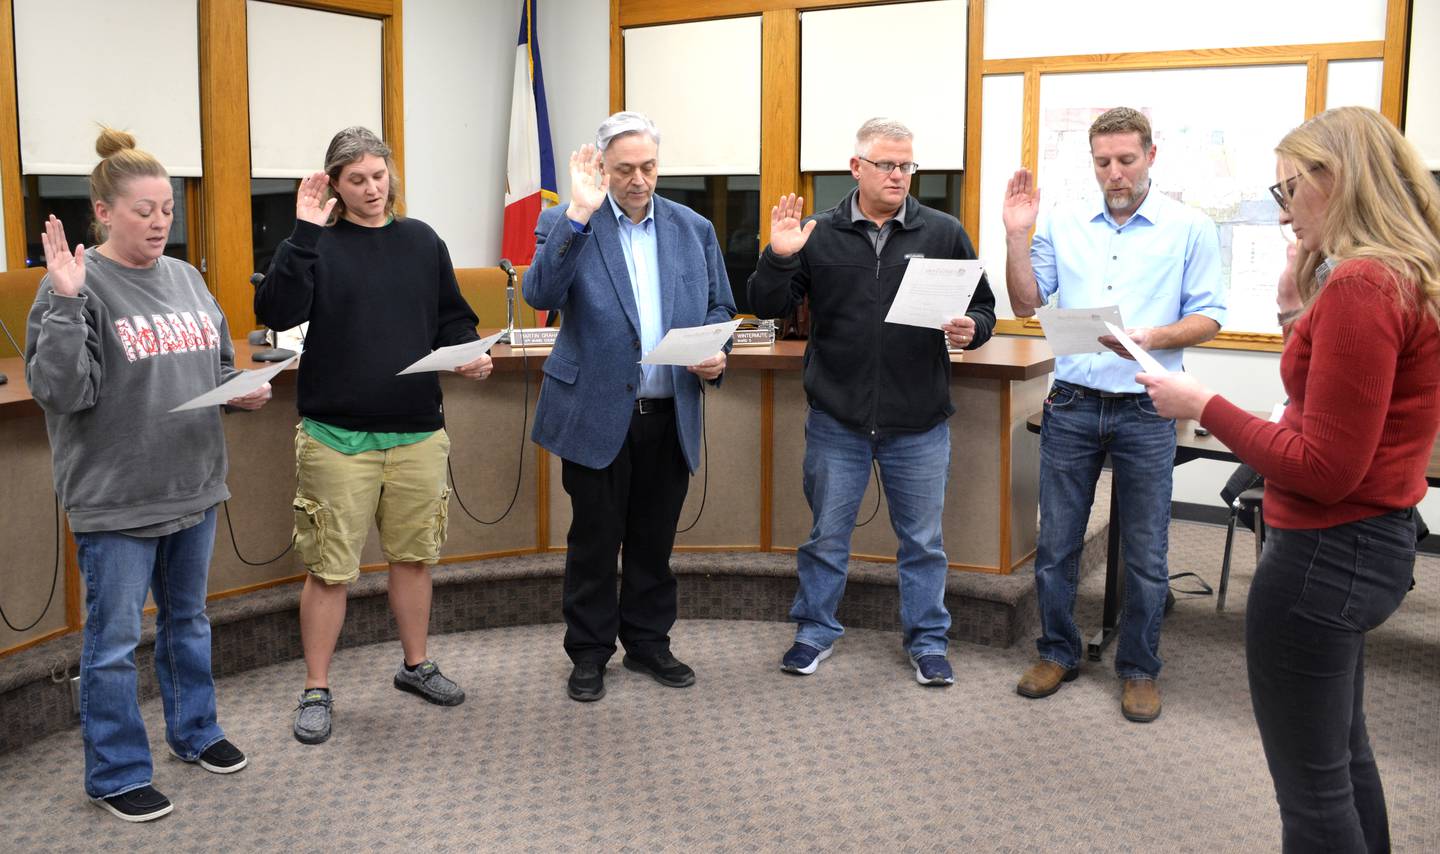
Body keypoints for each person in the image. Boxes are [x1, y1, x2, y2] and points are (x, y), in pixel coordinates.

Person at [1140, 106, 1440, 850]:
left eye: (1287, 190)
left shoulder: (1362, 285)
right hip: (1370, 545)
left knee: (1312, 797)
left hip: (1323, 558)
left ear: (1337, 179)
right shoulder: (1403, 274)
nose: (1282, 213)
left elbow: (1324, 468)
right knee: (1342, 758)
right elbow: (1328, 403)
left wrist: (1203, 405)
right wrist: (1292, 308)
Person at [25, 128, 271, 822]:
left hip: (193, 484)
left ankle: (196, 732)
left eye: (167, 209)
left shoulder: (187, 277)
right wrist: (66, 303)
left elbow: (216, 366)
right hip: (117, 498)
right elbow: (61, 392)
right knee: (111, 646)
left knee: (188, 622)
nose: (160, 221)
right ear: (104, 212)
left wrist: (241, 392)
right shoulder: (72, 285)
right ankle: (115, 773)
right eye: (144, 210)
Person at [255, 127, 492, 744]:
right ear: (335, 185)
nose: (371, 189)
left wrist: (467, 351)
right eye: (356, 180)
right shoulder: (317, 244)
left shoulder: (421, 240)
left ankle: (416, 665)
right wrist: (303, 233)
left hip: (416, 432)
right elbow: (276, 312)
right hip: (337, 436)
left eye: (379, 176)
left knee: (414, 559)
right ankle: (316, 687)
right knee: (330, 570)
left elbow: (452, 316)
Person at [748, 117, 996, 686]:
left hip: (919, 420)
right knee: (826, 538)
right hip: (839, 418)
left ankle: (928, 642)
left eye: (907, 165)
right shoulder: (818, 232)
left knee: (924, 543)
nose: (899, 175)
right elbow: (766, 306)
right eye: (887, 164)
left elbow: (982, 307)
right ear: (856, 167)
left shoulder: (943, 232)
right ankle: (814, 631)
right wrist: (780, 256)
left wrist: (973, 329)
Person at [1003, 107, 1225, 721]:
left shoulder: (1190, 227)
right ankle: (1058, 651)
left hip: (1148, 404)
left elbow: (1210, 315)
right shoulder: (1065, 220)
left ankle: (1139, 668)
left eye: (1126, 160)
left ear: (1151, 155)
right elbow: (1024, 302)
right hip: (1073, 403)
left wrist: (1155, 336)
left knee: (1146, 550)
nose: (1115, 173)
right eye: (1103, 162)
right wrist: (1017, 236)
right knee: (1057, 544)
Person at [523, 111, 736, 702]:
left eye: (648, 167)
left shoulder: (692, 227)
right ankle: (589, 652)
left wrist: (716, 353)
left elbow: (720, 307)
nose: (639, 180)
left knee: (653, 541)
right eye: (624, 169)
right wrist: (579, 213)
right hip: (593, 412)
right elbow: (540, 293)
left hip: (668, 414)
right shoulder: (566, 221)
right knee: (594, 541)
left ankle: (647, 643)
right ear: (601, 168)